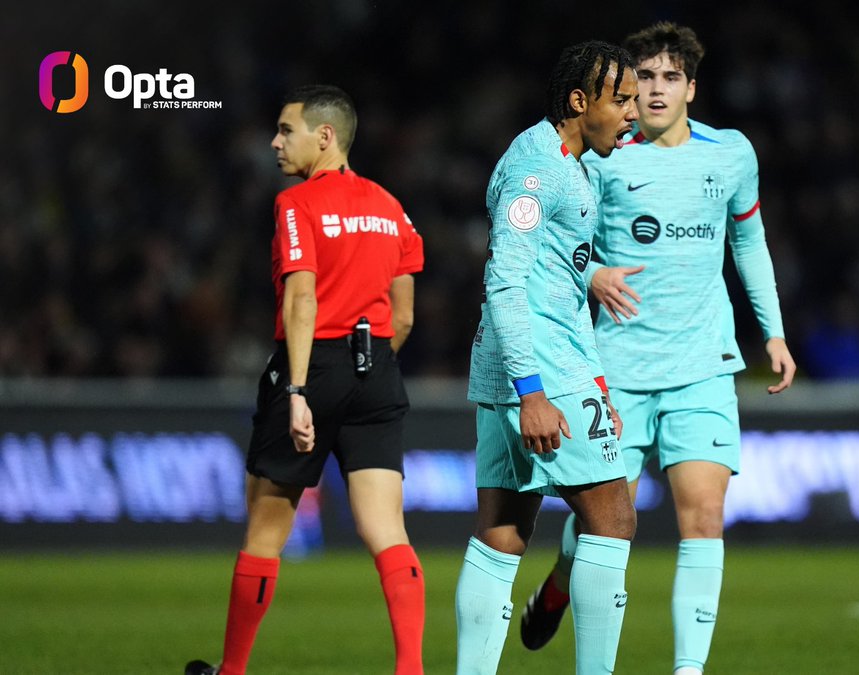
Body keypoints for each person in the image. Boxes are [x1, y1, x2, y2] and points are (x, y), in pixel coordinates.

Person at [519, 22, 797, 675]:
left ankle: (688, 669)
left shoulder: (730, 155)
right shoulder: (602, 157)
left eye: (670, 76)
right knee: (602, 520)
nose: (655, 89)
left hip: (703, 365)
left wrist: (774, 331)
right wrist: (593, 275)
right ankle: (561, 577)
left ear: (692, 87)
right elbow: (554, 243)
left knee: (703, 514)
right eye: (643, 77)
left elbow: (748, 242)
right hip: (614, 368)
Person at [186, 85, 426, 675]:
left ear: (324, 137)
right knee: (387, 530)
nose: (275, 141)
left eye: (285, 129)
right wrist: (365, 364)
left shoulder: (298, 203)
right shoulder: (392, 207)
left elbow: (302, 299)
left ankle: (234, 671)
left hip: (312, 365)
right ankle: (411, 668)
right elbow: (404, 316)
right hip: (378, 370)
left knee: (266, 528)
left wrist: (298, 390)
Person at [454, 41, 640, 675]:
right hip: (538, 371)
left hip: (532, 368)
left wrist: (598, 383)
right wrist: (533, 391)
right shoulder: (536, 167)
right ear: (579, 101)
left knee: (503, 534)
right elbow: (505, 280)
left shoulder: (575, 166)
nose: (633, 115)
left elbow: (561, 277)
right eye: (622, 101)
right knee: (612, 518)